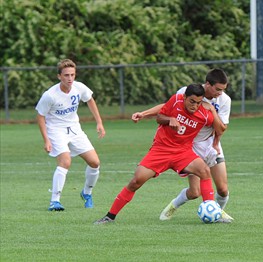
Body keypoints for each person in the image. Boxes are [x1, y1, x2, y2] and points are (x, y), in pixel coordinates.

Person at [94, 83, 223, 224]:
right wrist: (169, 120)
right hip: (160, 150)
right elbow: (159, 117)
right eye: (192, 101)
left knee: (204, 171)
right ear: (185, 97)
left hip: (183, 152)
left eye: (198, 103)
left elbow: (221, 128)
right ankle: (109, 216)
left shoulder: (205, 115)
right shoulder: (176, 100)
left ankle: (211, 211)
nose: (195, 106)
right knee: (136, 181)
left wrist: (212, 112)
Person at [131, 68, 233, 222]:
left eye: (223, 90)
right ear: (208, 84)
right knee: (194, 192)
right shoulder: (188, 92)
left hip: (210, 145)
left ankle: (215, 213)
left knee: (223, 190)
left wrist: (212, 112)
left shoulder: (224, 100)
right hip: (188, 145)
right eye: (217, 89)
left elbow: (221, 128)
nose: (220, 93)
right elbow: (167, 107)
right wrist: (144, 114)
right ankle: (174, 205)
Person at [35, 59, 106, 211]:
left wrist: (99, 122)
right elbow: (40, 116)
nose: (70, 78)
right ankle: (55, 201)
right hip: (56, 130)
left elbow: (90, 100)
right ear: (59, 76)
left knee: (95, 163)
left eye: (72, 75)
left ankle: (86, 193)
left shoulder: (79, 88)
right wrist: (46, 139)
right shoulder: (50, 95)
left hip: (74, 129)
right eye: (66, 75)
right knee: (65, 162)